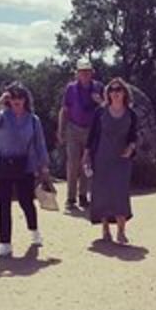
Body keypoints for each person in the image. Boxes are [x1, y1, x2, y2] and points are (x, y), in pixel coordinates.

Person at [0, 82, 50, 258]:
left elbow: (40, 143)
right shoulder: (2, 116)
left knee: (26, 202)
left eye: (20, 97)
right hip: (4, 164)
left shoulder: (33, 119)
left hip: (25, 165)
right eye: (12, 97)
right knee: (4, 205)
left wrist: (43, 165)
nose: (16, 100)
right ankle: (4, 243)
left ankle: (34, 231)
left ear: (25, 100)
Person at [82, 77, 137, 244]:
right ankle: (105, 229)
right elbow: (92, 135)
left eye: (118, 89)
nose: (115, 93)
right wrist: (86, 155)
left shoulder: (131, 114)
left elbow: (134, 136)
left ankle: (121, 231)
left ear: (124, 93)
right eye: (112, 90)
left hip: (121, 158)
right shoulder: (100, 112)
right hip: (101, 156)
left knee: (120, 194)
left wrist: (131, 148)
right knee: (102, 193)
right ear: (108, 93)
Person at [57, 59, 104, 209]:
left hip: (91, 129)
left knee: (86, 163)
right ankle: (71, 198)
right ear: (77, 74)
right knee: (72, 163)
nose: (85, 74)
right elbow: (64, 110)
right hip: (73, 128)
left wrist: (100, 101)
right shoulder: (71, 89)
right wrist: (60, 130)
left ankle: (83, 196)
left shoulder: (98, 87)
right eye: (82, 71)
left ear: (92, 73)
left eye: (87, 71)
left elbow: (106, 108)